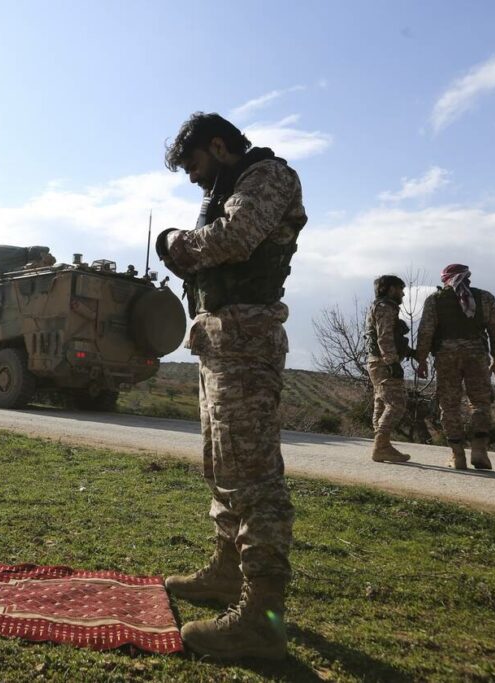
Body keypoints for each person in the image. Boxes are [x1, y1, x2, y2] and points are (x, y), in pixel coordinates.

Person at [155, 112, 306, 660]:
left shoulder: (268, 176)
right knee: (223, 467)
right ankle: (225, 573)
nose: (194, 178)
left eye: (195, 165)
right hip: (220, 339)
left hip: (248, 336)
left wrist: (176, 242)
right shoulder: (231, 186)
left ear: (218, 146)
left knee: (255, 478)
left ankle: (262, 620)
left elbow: (238, 238)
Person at [415, 264, 495, 470]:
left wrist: (421, 359)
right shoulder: (486, 298)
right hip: (477, 355)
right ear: (468, 278)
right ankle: (480, 450)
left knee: (449, 405)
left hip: (446, 356)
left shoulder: (435, 300)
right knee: (481, 403)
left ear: (445, 279)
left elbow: (426, 332)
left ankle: (457, 456)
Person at [366, 275, 413, 463]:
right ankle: (382, 446)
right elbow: (384, 337)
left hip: (377, 361)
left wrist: (410, 352)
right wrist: (392, 362)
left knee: (381, 403)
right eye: (400, 289)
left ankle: (380, 446)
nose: (402, 293)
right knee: (396, 403)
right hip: (383, 362)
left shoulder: (381, 307)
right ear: (391, 289)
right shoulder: (385, 308)